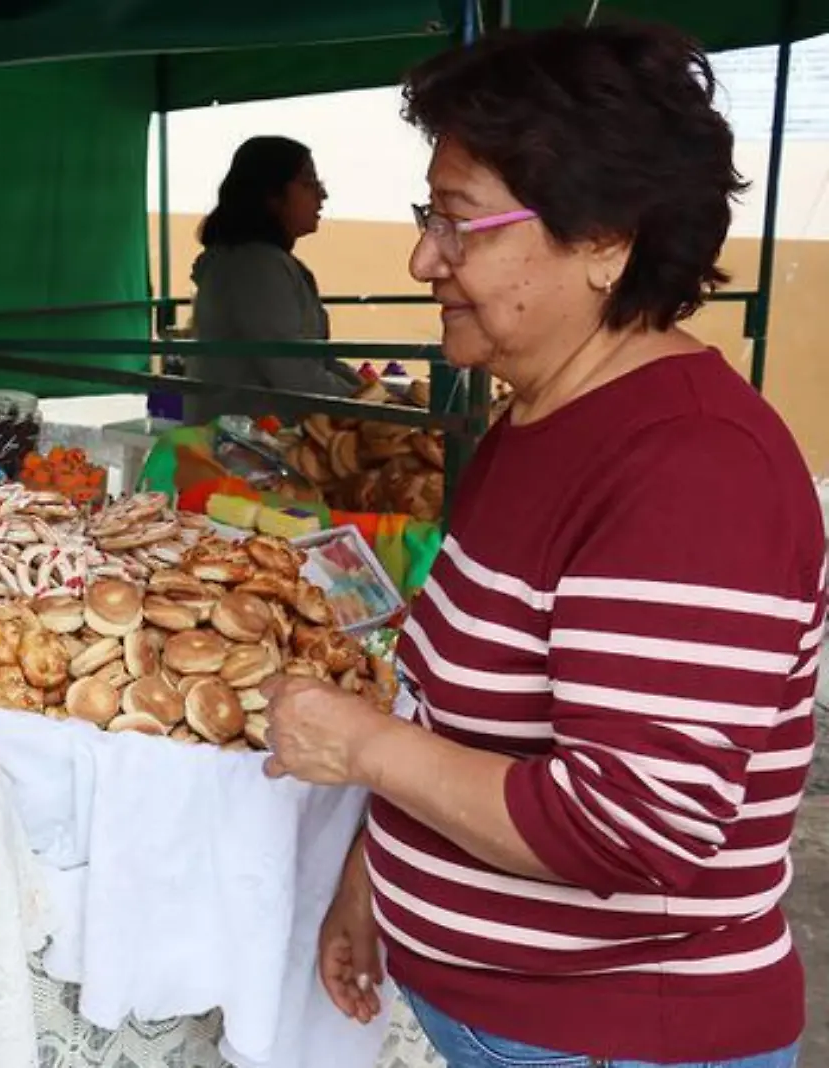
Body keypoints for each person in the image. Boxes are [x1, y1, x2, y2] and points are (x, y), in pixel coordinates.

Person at [260, 23, 821, 1068]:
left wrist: (359, 745)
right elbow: (450, 703)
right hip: (505, 1022)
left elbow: (631, 826)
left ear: (605, 239)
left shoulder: (691, 467)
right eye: (430, 216)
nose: (423, 256)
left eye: (457, 222)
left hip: (614, 1039)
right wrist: (371, 882)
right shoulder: (538, 415)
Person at [184, 136, 363, 424]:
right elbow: (294, 373)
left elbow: (317, 360)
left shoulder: (265, 262)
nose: (322, 195)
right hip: (242, 444)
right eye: (308, 183)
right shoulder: (255, 267)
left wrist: (369, 392)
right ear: (270, 194)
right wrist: (369, 407)